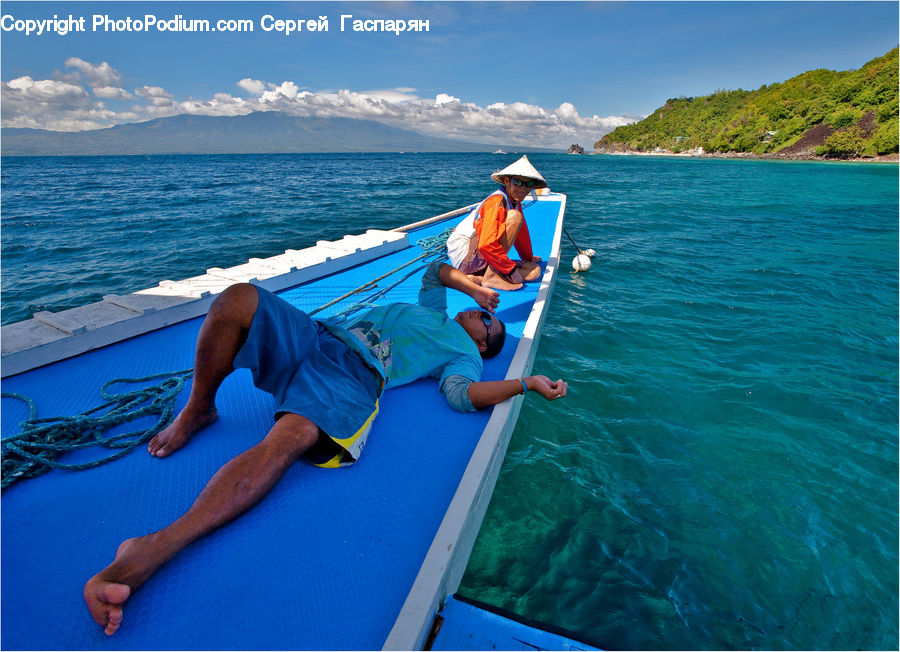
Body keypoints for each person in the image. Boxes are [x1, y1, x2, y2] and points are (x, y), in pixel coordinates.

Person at [83, 259, 568, 636]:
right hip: (321, 337)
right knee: (237, 298)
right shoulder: (430, 308)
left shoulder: (463, 355)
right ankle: (198, 408)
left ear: (483, 345)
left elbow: (465, 396)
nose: (480, 316)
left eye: (486, 323)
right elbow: (431, 270)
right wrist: (475, 287)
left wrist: (524, 383)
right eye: (484, 314)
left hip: (352, 377)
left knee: (290, 439)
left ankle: (155, 546)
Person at [446, 155, 547, 291]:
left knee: (534, 271)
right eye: (518, 182)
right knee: (514, 217)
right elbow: (487, 245)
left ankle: (479, 278)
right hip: (465, 256)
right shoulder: (497, 201)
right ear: (507, 181)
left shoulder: (515, 202)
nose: (523, 188)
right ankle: (492, 276)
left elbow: (521, 234)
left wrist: (528, 258)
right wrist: (510, 270)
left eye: (528, 184)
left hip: (479, 258)